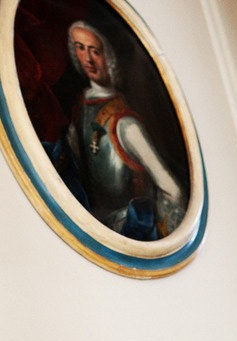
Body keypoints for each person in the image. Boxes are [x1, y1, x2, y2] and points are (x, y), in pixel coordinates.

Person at [51, 20, 186, 241]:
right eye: (80, 48)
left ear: (109, 57)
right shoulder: (81, 109)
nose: (87, 59)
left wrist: (156, 236)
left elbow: (173, 190)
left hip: (125, 233)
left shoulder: (126, 125)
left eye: (95, 51)